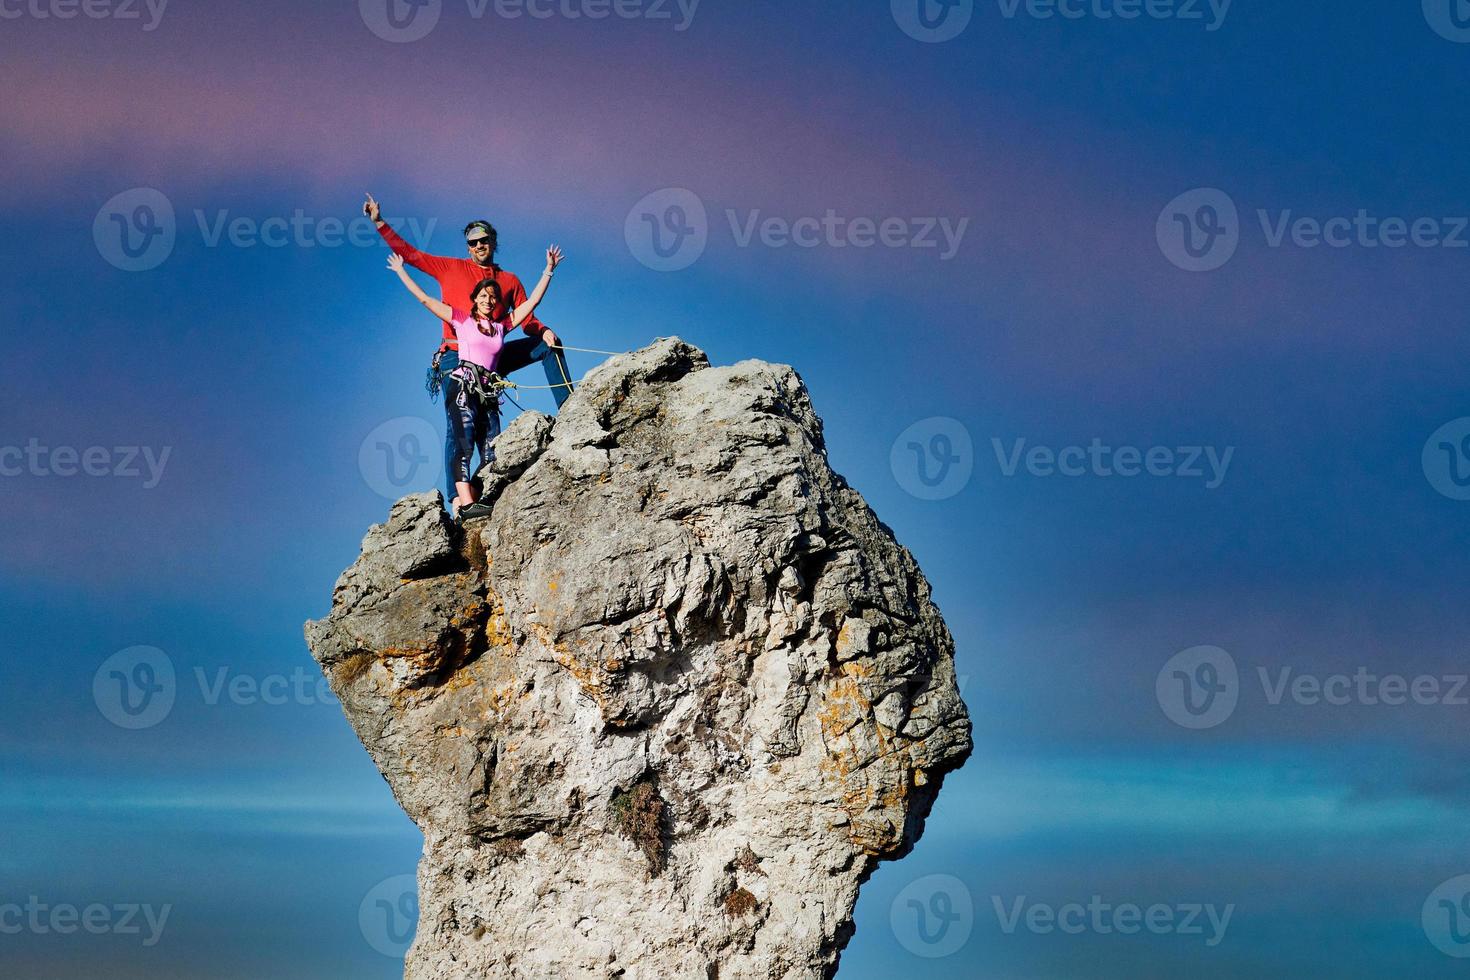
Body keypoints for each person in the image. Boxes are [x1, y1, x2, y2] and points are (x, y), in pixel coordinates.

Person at [364, 194, 575, 502]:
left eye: (484, 240)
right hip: (456, 358)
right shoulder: (449, 268)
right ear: (468, 247)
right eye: (473, 242)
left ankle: (571, 409)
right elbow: (409, 255)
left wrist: (543, 331)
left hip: (493, 357)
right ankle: (459, 501)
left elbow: (526, 317)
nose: (479, 246)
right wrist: (379, 222)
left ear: (493, 242)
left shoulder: (509, 280)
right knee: (461, 426)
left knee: (548, 347)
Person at [386, 245, 564, 521]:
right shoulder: (462, 320)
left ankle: (480, 493)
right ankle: (465, 504)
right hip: (464, 385)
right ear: (474, 300)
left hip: (488, 389)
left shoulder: (501, 326)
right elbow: (425, 300)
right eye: (483, 296)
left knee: (492, 444)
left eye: (493, 297)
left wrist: (548, 271)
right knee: (463, 440)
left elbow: (531, 305)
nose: (489, 300)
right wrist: (401, 271)